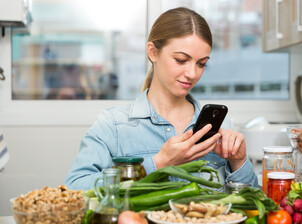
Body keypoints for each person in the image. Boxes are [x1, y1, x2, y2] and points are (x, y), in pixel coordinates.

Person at [65, 7, 258, 190]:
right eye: (181, 60)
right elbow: (75, 188)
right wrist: (158, 163)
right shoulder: (113, 126)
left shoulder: (220, 127)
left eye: (201, 64)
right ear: (153, 52)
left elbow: (252, 205)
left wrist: (239, 161)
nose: (192, 73)